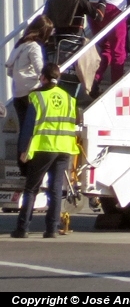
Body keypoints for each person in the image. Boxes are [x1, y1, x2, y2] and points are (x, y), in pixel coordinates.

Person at [11, 63, 77, 239]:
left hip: (44, 147)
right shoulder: (69, 98)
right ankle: (52, 229)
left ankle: (22, 228)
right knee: (55, 189)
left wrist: (23, 150)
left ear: (43, 78)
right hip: (64, 147)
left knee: (31, 188)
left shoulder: (37, 96)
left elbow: (28, 126)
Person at [5, 16, 53, 149]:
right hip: (31, 92)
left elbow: (9, 71)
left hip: (17, 93)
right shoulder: (34, 47)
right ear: (44, 32)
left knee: (23, 130)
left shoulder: (20, 45)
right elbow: (40, 70)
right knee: (32, 129)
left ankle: (21, 156)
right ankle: (29, 157)